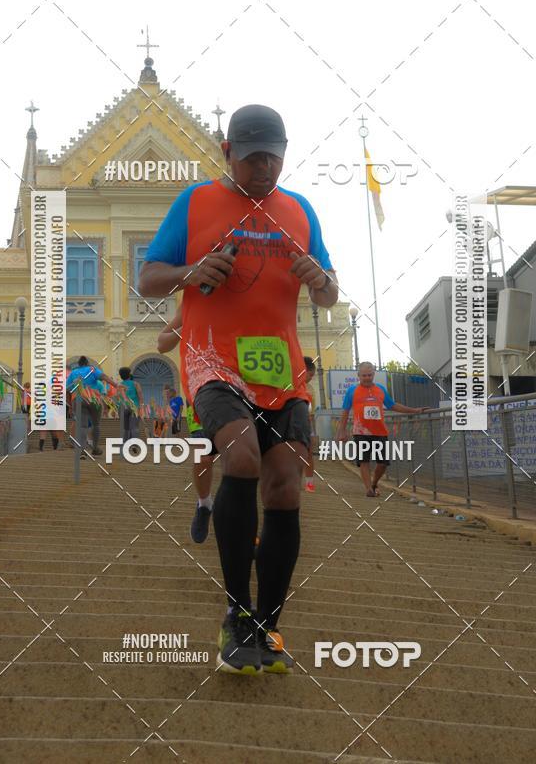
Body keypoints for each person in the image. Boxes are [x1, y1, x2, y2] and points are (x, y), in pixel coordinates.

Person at [139, 103, 338, 675]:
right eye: (252, 159)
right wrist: (191, 271)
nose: (264, 170)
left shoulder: (299, 211)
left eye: (273, 158)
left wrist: (318, 280)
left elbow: (327, 293)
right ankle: (236, 610)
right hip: (211, 356)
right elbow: (150, 275)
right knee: (243, 456)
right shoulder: (196, 202)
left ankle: (267, 626)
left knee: (285, 489)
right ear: (228, 153)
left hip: (279, 365)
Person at [157, 305, 217, 543]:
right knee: (204, 458)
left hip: (241, 390)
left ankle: (244, 530)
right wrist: (187, 326)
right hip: (202, 394)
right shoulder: (193, 304)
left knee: (243, 461)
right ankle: (204, 504)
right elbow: (162, 343)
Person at [337, 361, 427, 496]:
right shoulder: (352, 391)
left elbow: (393, 405)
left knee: (383, 463)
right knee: (364, 461)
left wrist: (414, 410)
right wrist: (342, 431)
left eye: (369, 375)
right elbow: (345, 412)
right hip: (360, 431)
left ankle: (374, 484)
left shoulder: (380, 389)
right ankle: (368, 489)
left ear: (374, 374)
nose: (367, 378)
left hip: (379, 431)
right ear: (358, 376)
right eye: (364, 375)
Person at [66, 356, 118, 458]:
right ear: (87, 363)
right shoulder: (92, 369)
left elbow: (67, 390)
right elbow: (104, 377)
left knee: (82, 426)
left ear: (79, 364)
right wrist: (115, 385)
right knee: (96, 424)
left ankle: (82, 450)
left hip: (79, 399)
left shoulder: (73, 373)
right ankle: (95, 448)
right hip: (94, 399)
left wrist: (71, 406)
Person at [119, 367, 144, 443]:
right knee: (134, 427)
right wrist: (141, 407)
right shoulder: (135, 384)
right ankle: (134, 444)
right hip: (134, 407)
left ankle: (125, 443)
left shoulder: (120, 385)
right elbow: (140, 396)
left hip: (123, 407)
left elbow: (117, 397)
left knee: (125, 428)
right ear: (129, 375)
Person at [303, 356, 317, 492]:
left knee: (308, 454)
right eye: (310, 375)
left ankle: (309, 482)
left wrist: (313, 432)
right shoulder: (289, 386)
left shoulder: (309, 391)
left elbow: (311, 414)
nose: (311, 378)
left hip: (305, 426)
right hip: (290, 425)